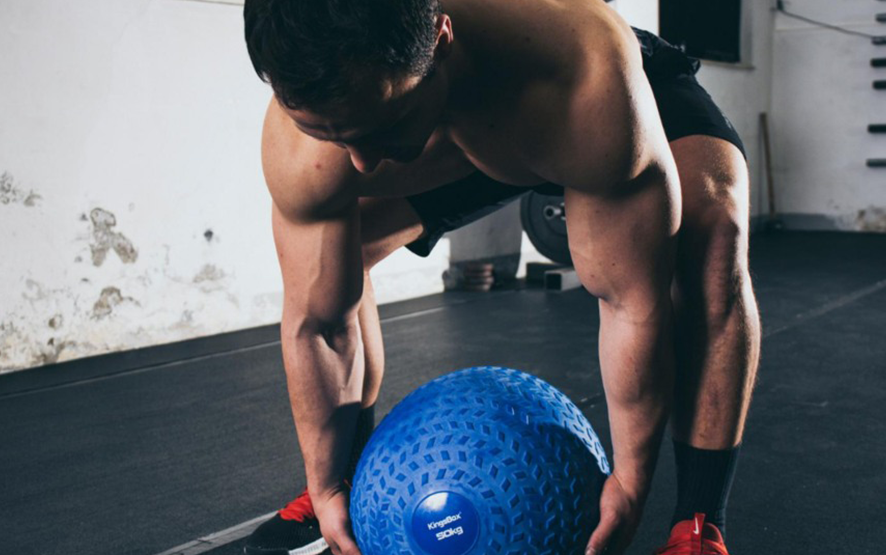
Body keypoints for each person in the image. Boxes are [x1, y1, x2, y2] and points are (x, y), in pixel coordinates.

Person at [241, 0, 760, 553]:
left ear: (440, 40)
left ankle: (698, 523)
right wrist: (323, 487)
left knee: (711, 226)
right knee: (342, 246)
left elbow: (630, 302)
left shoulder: (583, 76)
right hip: (444, 129)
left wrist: (630, 485)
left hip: (548, 103)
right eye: (332, 132)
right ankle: (346, 484)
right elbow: (319, 323)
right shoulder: (305, 144)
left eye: (379, 128)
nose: (364, 164)